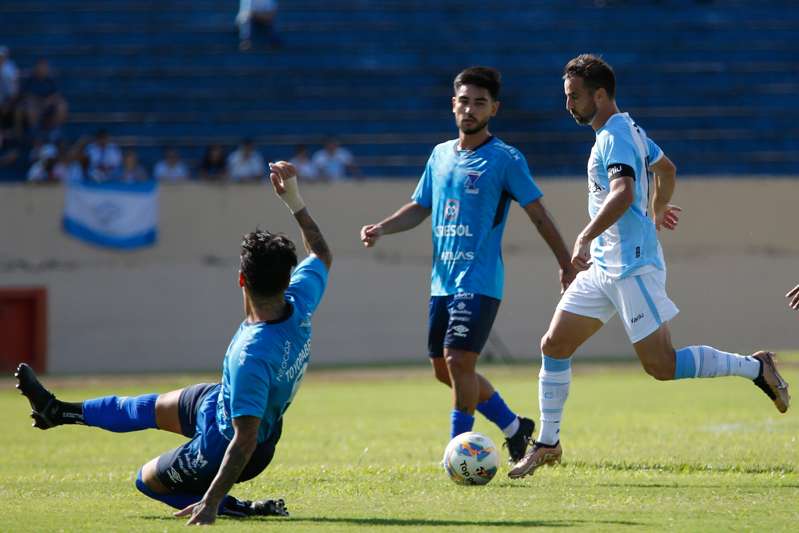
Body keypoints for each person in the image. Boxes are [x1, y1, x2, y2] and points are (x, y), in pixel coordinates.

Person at [508, 54, 791, 479]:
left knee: (661, 366)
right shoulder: (628, 129)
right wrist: (656, 209)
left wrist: (585, 236)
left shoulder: (615, 136)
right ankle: (548, 443)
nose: (568, 105)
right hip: (604, 268)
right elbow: (666, 168)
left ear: (600, 95)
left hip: (632, 268)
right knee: (554, 345)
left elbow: (622, 192)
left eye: (574, 96)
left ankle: (757, 367)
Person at [15, 161, 331, 525]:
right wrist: (294, 200)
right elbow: (321, 252)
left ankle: (238, 507)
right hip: (220, 402)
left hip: (227, 443)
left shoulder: (252, 354)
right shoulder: (299, 299)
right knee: (143, 407)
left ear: (241, 279)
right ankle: (57, 411)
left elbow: (245, 440)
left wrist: (211, 502)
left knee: (146, 480)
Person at [359, 66, 575, 463]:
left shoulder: (505, 159)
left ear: (494, 108)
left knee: (459, 361)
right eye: (464, 101)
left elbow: (539, 213)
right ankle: (515, 427)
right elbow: (421, 206)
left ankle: (458, 453)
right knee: (445, 370)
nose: (470, 109)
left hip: (478, 281)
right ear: (453, 105)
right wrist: (382, 228)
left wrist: (565, 262)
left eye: (480, 102)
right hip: (441, 283)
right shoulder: (439, 155)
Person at [15, 58, 68, 138]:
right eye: (40, 67)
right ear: (36, 68)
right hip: (33, 104)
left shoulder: (50, 79)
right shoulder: (29, 79)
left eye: (44, 67)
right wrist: (37, 101)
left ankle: (55, 130)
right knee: (30, 106)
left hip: (48, 104)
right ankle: (35, 131)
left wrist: (48, 101)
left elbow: (57, 94)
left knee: (62, 105)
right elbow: (25, 95)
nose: (42, 69)